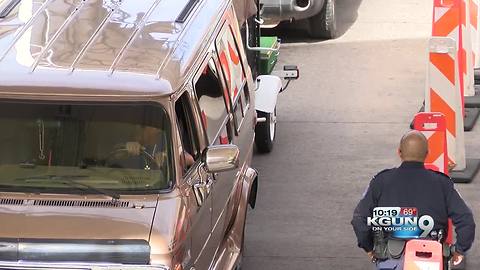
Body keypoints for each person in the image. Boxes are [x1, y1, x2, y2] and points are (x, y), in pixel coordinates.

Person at [351, 130, 475, 269]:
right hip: (431, 257)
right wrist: (459, 250)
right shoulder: (442, 184)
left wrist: (369, 247)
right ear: (427, 154)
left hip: (391, 258)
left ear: (399, 152)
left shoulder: (381, 181)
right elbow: (466, 220)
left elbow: (359, 219)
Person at [125, 126, 194, 169]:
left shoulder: (167, 140)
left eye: (156, 127)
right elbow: (116, 155)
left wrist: (168, 158)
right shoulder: (127, 145)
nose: (158, 130)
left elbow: (190, 160)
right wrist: (126, 149)